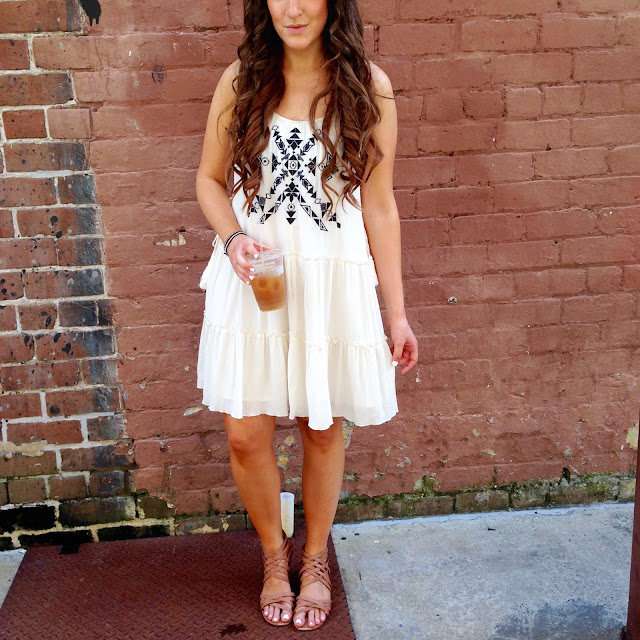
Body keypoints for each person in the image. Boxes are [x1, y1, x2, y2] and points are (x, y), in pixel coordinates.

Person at [195, 0, 418, 631]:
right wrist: (232, 239)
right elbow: (209, 180)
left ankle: (314, 560)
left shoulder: (368, 87)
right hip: (255, 279)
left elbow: (380, 206)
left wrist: (396, 315)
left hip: (329, 284)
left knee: (321, 429)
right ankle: (274, 556)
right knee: (246, 435)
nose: (293, 8)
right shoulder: (242, 80)